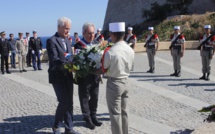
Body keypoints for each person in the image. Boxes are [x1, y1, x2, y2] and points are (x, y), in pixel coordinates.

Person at [46, 17, 79, 134]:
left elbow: (70, 56)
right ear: (59, 27)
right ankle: (56, 126)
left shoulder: (68, 41)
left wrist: (76, 62)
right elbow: (54, 59)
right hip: (57, 76)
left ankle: (69, 128)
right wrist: (67, 64)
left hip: (68, 76)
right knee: (63, 101)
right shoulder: (51, 41)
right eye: (66, 29)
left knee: (70, 102)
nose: (68, 31)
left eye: (69, 29)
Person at [102, 22, 134, 134]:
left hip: (114, 83)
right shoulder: (130, 50)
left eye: (111, 34)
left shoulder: (110, 52)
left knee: (115, 114)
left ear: (113, 35)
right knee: (125, 112)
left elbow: (104, 68)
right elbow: (132, 67)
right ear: (124, 35)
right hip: (126, 81)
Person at [74, 22, 102, 129]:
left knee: (94, 97)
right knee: (84, 98)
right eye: (89, 33)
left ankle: (93, 116)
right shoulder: (79, 44)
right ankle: (87, 118)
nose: (92, 35)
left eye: (93, 33)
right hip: (84, 76)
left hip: (95, 76)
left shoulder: (96, 43)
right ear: (84, 33)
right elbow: (77, 60)